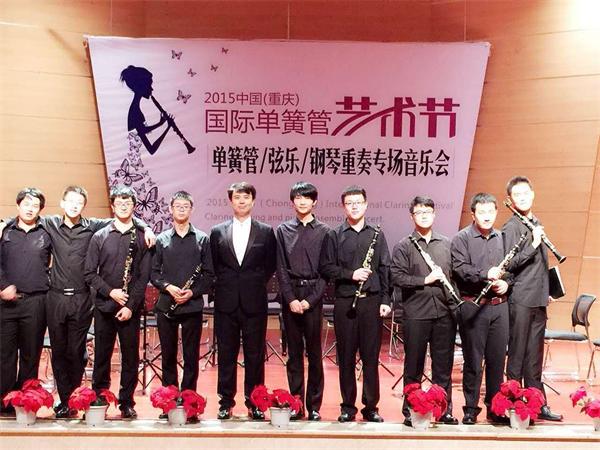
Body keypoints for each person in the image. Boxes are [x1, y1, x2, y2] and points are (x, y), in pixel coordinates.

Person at [0, 185, 155, 418]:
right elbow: (23, 216)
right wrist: (3, 223)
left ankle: (74, 399)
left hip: (82, 298)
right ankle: (63, 401)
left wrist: (146, 226)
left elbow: (124, 216)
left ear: (84, 206)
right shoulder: (49, 224)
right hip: (55, 297)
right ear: (62, 203)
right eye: (70, 201)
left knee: (76, 352)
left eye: (79, 202)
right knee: (58, 352)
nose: (74, 206)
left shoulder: (94, 226)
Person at [319, 185, 391, 423]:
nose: (354, 206)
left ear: (366, 204)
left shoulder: (377, 234)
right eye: (349, 203)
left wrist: (386, 300)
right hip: (345, 302)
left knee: (370, 357)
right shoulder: (334, 235)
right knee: (346, 356)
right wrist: (351, 274)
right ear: (343, 206)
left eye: (358, 202)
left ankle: (371, 407)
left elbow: (385, 268)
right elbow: (326, 267)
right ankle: (348, 406)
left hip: (371, 302)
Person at [84, 186, 152, 419]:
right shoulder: (100, 236)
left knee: (131, 358)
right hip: (104, 306)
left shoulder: (143, 237)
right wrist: (110, 292)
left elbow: (143, 276)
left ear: (134, 206)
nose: (124, 206)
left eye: (128, 202)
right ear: (112, 206)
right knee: (102, 356)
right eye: (119, 203)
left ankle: (126, 402)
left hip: (129, 309)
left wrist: (130, 306)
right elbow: (89, 273)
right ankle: (100, 398)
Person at [210, 182, 277, 420]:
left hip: (254, 301)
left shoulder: (266, 231)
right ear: (231, 201)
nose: (241, 201)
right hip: (226, 301)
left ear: (253, 201)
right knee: (226, 354)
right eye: (237, 197)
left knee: (255, 355)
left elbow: (270, 265)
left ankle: (255, 402)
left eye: (246, 197)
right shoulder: (217, 231)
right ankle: (225, 402)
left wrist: (253, 283)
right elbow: (214, 265)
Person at [390, 196, 459, 426]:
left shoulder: (447, 244)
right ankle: (411, 411)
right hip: (416, 314)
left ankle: (444, 411)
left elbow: (454, 278)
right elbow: (397, 276)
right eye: (419, 212)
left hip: (444, 314)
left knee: (443, 366)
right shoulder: (404, 245)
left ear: (434, 214)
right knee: (413, 366)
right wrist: (425, 280)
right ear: (412, 216)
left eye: (427, 212)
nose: (424, 216)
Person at [502, 176, 562, 421]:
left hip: (537, 297)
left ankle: (538, 404)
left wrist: (547, 290)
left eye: (526, 193)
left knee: (534, 356)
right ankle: (513, 404)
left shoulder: (535, 221)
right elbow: (508, 264)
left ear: (533, 194)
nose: (523, 197)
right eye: (517, 194)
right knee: (517, 354)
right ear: (510, 199)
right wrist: (534, 243)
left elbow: (540, 264)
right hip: (521, 298)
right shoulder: (511, 227)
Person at [151, 191, 215, 422]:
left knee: (191, 357)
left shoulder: (202, 239)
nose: (181, 209)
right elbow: (153, 273)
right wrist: (168, 287)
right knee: (167, 357)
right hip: (166, 305)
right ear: (170, 209)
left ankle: (189, 404)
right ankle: (168, 403)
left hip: (192, 306)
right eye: (177, 205)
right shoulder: (161, 239)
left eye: (185, 206)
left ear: (191, 209)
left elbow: (209, 274)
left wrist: (192, 293)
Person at [451, 193, 510, 424]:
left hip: (499, 307)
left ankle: (495, 409)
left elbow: (511, 270)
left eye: (491, 212)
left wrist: (506, 283)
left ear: (496, 213)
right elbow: (459, 269)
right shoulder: (461, 238)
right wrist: (485, 274)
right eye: (482, 212)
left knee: (497, 362)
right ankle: (470, 409)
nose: (487, 216)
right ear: (473, 214)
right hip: (473, 305)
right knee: (473, 361)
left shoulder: (503, 237)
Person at [275, 182, 329, 421]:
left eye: (307, 197)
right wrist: (291, 299)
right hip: (291, 296)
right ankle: (296, 404)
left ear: (315, 202)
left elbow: (326, 271)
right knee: (294, 354)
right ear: (292, 201)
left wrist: (309, 301)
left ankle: (314, 406)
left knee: (315, 354)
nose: (303, 201)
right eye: (298, 197)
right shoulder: (283, 230)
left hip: (313, 296)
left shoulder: (325, 231)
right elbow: (280, 268)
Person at [0, 188, 51, 416]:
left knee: (31, 355)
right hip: (6, 304)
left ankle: (25, 403)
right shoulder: (4, 230)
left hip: (36, 302)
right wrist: (2, 286)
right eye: (26, 204)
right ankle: (4, 403)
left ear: (40, 209)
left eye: (35, 205)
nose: (30, 209)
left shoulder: (47, 231)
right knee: (5, 355)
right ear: (18, 205)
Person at [120, 65, 172, 155]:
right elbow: (143, 132)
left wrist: (165, 126)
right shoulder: (135, 111)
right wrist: (162, 124)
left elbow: (151, 148)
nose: (151, 88)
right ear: (140, 86)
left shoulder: (136, 109)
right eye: (149, 85)